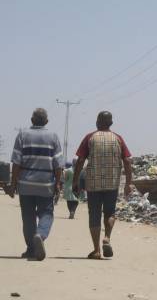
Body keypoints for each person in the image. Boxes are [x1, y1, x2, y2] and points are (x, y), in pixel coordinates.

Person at [73, 111, 133, 260]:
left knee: (94, 215)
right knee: (110, 213)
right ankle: (106, 237)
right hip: (112, 183)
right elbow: (127, 161)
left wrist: (75, 181)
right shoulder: (118, 138)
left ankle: (96, 250)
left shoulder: (90, 137)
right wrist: (128, 183)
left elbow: (80, 160)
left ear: (97, 122)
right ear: (111, 123)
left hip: (93, 184)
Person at [8, 108, 64, 260]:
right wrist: (58, 184)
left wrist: (13, 184)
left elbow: (16, 162)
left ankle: (31, 248)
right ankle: (40, 235)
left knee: (28, 217)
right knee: (46, 213)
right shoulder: (53, 137)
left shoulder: (22, 135)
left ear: (32, 120)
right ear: (46, 122)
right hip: (46, 184)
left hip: (25, 184)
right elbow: (58, 164)